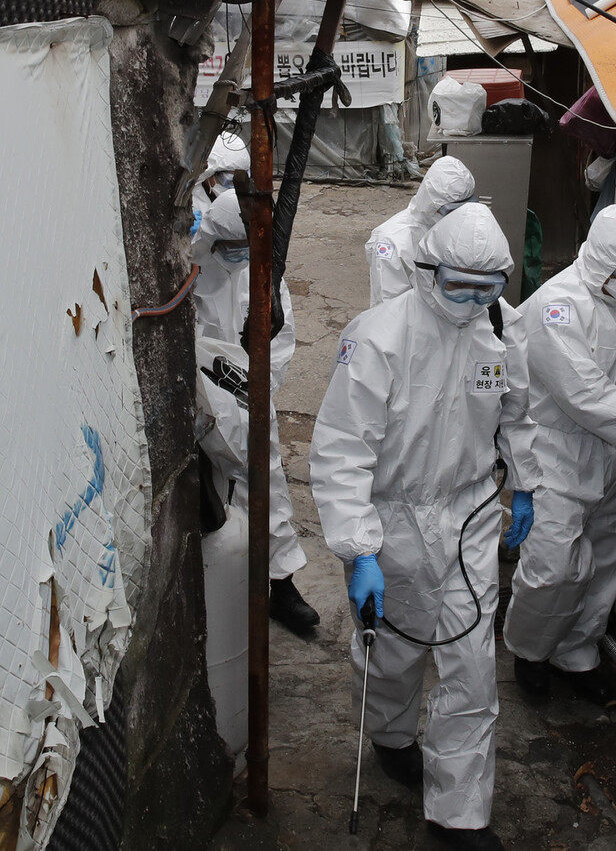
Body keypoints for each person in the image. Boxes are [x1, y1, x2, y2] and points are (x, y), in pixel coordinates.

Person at [311, 203, 540, 851]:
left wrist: (525, 484)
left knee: (471, 667)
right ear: (424, 270)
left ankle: (459, 815)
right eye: (457, 287)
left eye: (486, 287)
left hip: (467, 515)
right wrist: (358, 549)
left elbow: (516, 415)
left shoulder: (498, 329)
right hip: (396, 520)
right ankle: (388, 734)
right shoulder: (378, 336)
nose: (471, 301)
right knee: (394, 654)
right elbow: (341, 447)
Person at [502, 204, 616, 704]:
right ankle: (530, 653)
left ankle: (577, 653)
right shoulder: (556, 308)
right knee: (555, 566)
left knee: (606, 557)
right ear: (603, 264)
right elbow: (584, 396)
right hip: (559, 453)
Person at [193, 189, 320, 635]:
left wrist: (258, 385)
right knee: (214, 497)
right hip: (208, 406)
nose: (238, 256)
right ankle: (224, 589)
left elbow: (281, 337)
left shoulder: (263, 272)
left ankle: (280, 583)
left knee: (270, 488)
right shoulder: (193, 272)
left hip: (251, 398)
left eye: (244, 247)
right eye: (230, 247)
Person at [364, 155, 476, 304]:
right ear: (432, 204)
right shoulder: (391, 241)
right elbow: (389, 306)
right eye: (451, 211)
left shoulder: (451, 228)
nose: (459, 217)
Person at [190, 130, 251, 234]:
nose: (235, 187)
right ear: (208, 174)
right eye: (229, 180)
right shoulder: (192, 204)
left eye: (241, 178)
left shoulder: (248, 203)